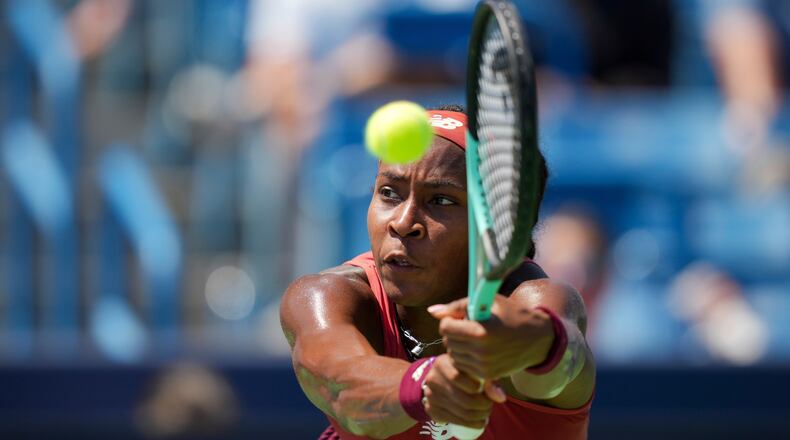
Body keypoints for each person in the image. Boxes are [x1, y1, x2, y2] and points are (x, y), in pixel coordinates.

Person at [280, 105, 596, 439]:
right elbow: (343, 387)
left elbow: (559, 358)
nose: (403, 224)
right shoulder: (326, 297)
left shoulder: (537, 298)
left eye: (442, 201)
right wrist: (427, 382)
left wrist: (529, 343)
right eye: (389, 193)